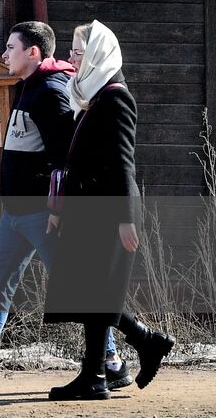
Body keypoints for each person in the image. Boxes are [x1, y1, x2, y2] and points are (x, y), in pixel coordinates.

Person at [0, 21, 128, 392]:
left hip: (41, 213)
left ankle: (112, 363)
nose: (4, 53)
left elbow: (66, 157)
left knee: (77, 286)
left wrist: (57, 210)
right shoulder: (27, 88)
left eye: (11, 47)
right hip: (14, 214)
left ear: (33, 52)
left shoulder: (52, 92)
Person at [44, 21, 174, 401]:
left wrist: (126, 217)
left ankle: (98, 374)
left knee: (95, 294)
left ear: (97, 55)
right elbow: (77, 159)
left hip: (106, 212)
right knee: (90, 292)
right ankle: (141, 345)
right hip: (88, 210)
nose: (70, 57)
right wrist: (61, 208)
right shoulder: (92, 96)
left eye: (77, 52)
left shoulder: (115, 97)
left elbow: (123, 162)